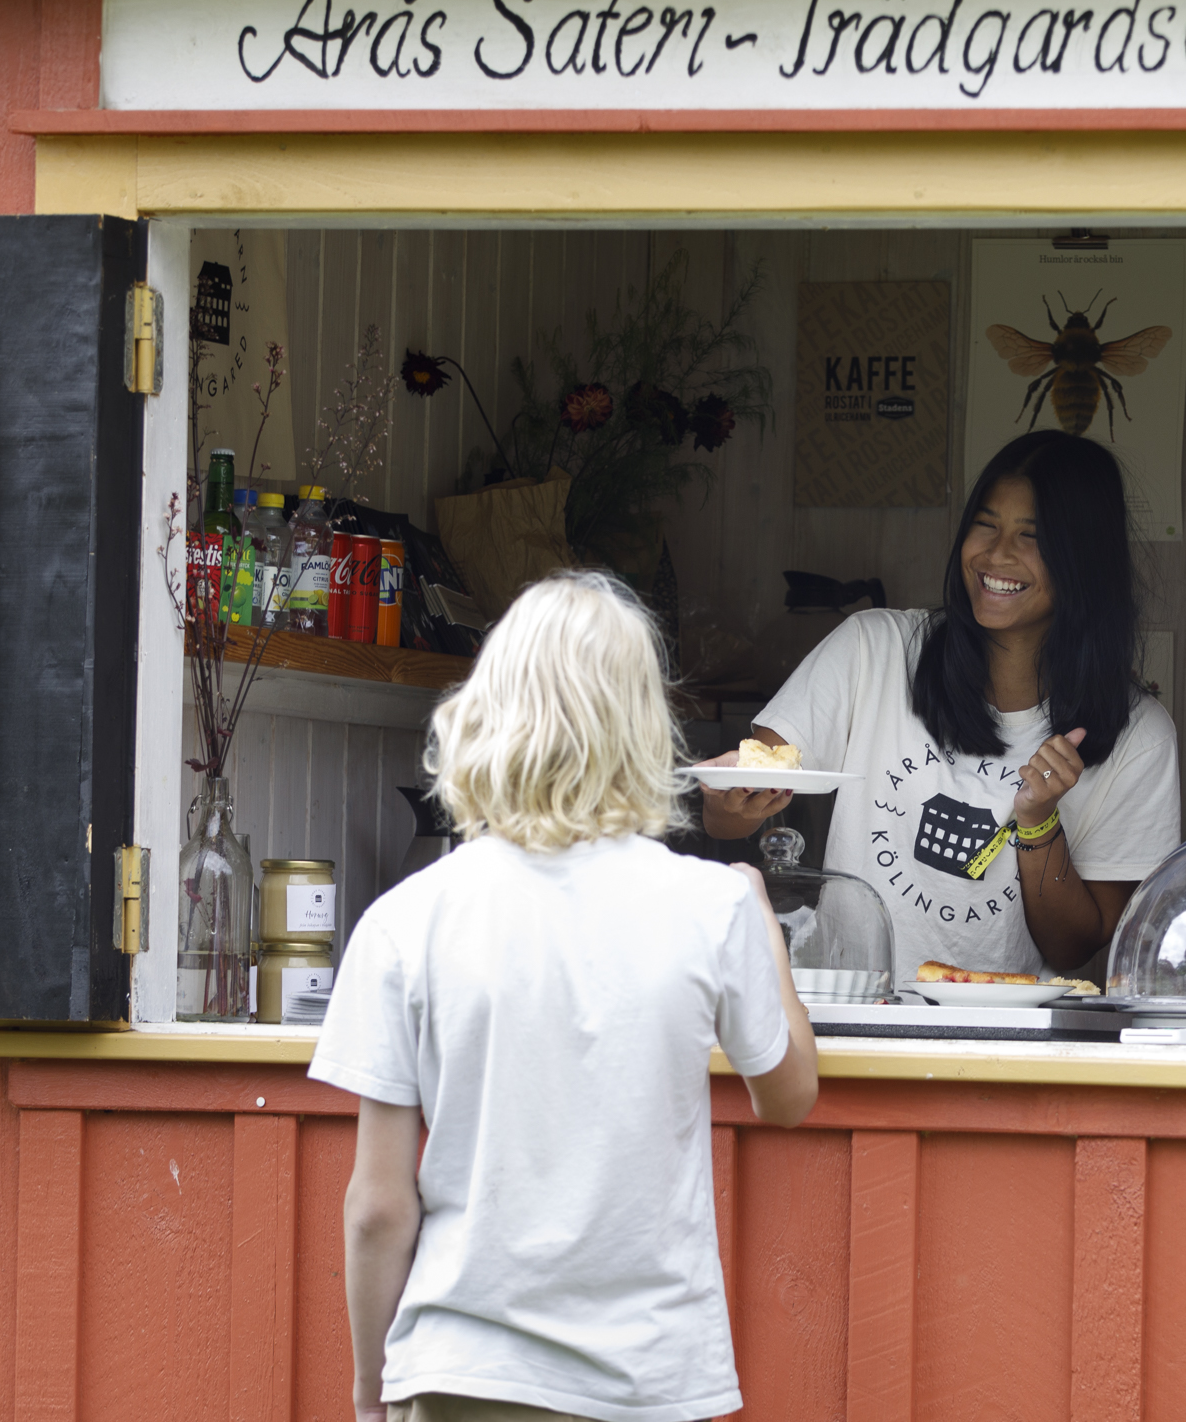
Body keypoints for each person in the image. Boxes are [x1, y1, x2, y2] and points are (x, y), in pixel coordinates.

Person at [311, 571, 819, 1422]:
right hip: (647, 1380)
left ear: (486, 713)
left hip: (459, 1373)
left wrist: (371, 1393)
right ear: (646, 729)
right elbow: (788, 1095)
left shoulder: (407, 921)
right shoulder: (713, 906)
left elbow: (378, 1206)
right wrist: (766, 929)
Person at [703, 432, 1182, 980]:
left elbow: (1075, 949)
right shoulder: (874, 650)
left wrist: (1038, 823)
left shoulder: (1138, 736)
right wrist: (729, 802)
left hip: (1005, 1048)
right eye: (986, 523)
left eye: (1033, 536)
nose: (997, 554)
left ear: (1086, 560)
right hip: (857, 1023)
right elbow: (728, 814)